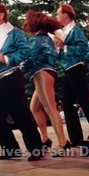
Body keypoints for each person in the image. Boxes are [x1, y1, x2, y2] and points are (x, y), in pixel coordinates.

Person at [0, 3, 43, 161]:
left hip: (12, 76)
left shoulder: (15, 33)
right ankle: (11, 149)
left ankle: (36, 149)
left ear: (2, 15)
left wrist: (6, 58)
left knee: (20, 114)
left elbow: (26, 51)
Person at [54, 3, 89, 144]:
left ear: (65, 15)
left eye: (58, 13)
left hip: (76, 68)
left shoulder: (75, 31)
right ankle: (77, 138)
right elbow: (62, 54)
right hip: (69, 69)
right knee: (68, 103)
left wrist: (64, 46)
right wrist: (57, 49)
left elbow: (82, 49)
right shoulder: (64, 31)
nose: (56, 16)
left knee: (84, 101)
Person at [21, 10, 71, 157]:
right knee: (35, 108)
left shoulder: (36, 40)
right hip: (48, 72)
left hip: (41, 73)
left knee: (50, 109)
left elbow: (30, 60)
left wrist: (20, 70)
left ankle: (63, 142)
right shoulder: (47, 38)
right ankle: (45, 138)